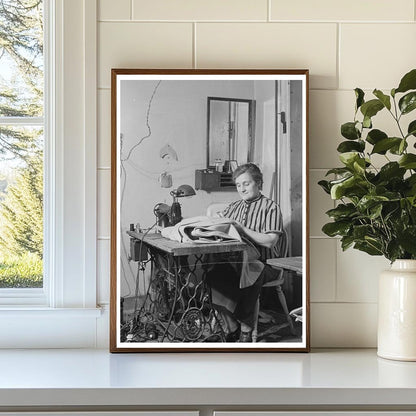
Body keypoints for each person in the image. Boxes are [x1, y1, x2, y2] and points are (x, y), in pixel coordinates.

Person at [207, 163, 283, 342]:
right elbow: (218, 224)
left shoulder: (270, 207)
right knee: (213, 275)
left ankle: (246, 330)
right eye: (239, 185)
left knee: (249, 272)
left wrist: (242, 229)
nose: (242, 189)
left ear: (258, 182)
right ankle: (232, 326)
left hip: (267, 263)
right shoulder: (234, 207)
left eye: (246, 184)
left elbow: (271, 241)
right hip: (238, 260)